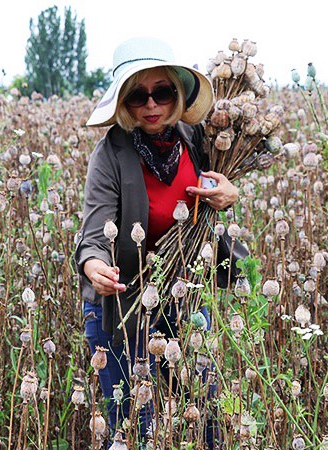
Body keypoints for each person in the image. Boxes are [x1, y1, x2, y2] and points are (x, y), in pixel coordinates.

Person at [75, 36, 240, 444]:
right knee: (135, 428)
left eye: (162, 92)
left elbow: (243, 166)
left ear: (178, 93)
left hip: (182, 302)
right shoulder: (109, 155)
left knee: (208, 421)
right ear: (123, 104)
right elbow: (95, 234)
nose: (151, 105)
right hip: (121, 308)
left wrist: (231, 195)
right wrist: (94, 267)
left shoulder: (197, 140)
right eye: (138, 96)